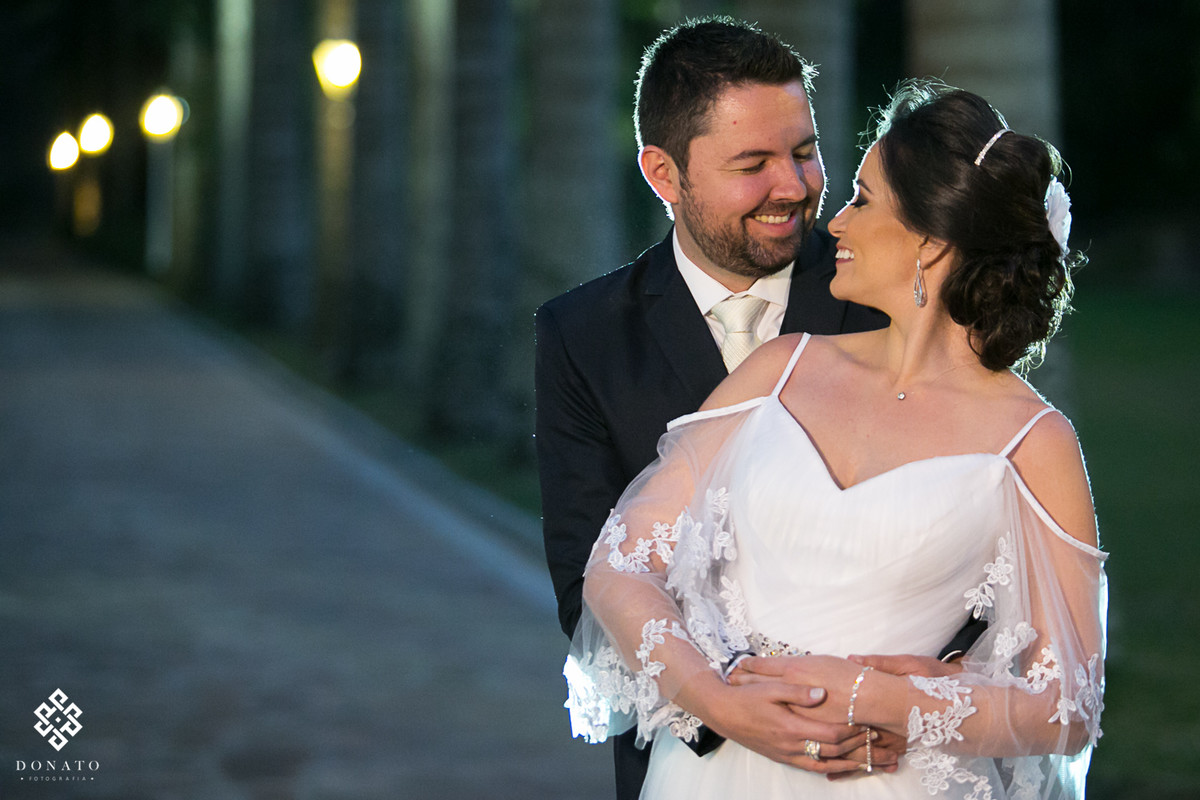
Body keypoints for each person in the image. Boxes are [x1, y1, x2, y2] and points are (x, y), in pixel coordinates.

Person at [564, 79, 1106, 799]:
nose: (837, 225)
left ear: (932, 241)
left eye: (863, 200)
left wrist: (872, 699)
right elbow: (618, 562)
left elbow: (1066, 705)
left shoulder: (1033, 441)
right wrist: (715, 698)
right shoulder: (779, 370)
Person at [535, 17, 906, 798]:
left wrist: (890, 707)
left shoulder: (888, 302)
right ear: (663, 174)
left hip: (879, 758)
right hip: (689, 766)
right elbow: (586, 584)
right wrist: (730, 712)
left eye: (804, 152)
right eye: (753, 163)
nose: (795, 186)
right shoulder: (583, 335)